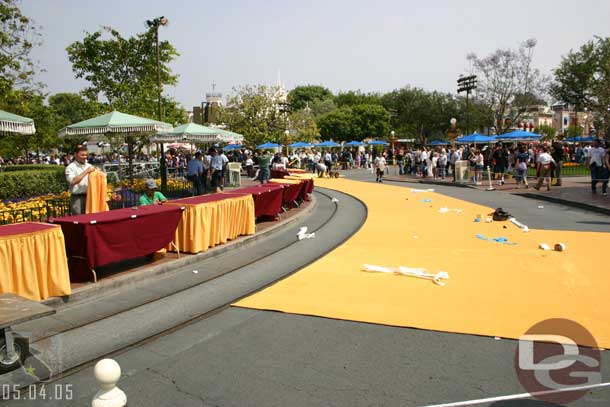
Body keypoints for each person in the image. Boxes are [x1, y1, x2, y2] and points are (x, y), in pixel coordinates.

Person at [65, 145, 95, 215]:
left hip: (90, 197)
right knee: (79, 220)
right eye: (82, 155)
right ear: (75, 154)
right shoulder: (70, 167)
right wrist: (86, 171)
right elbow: (73, 181)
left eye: (86, 155)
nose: (85, 157)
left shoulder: (89, 166)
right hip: (77, 198)